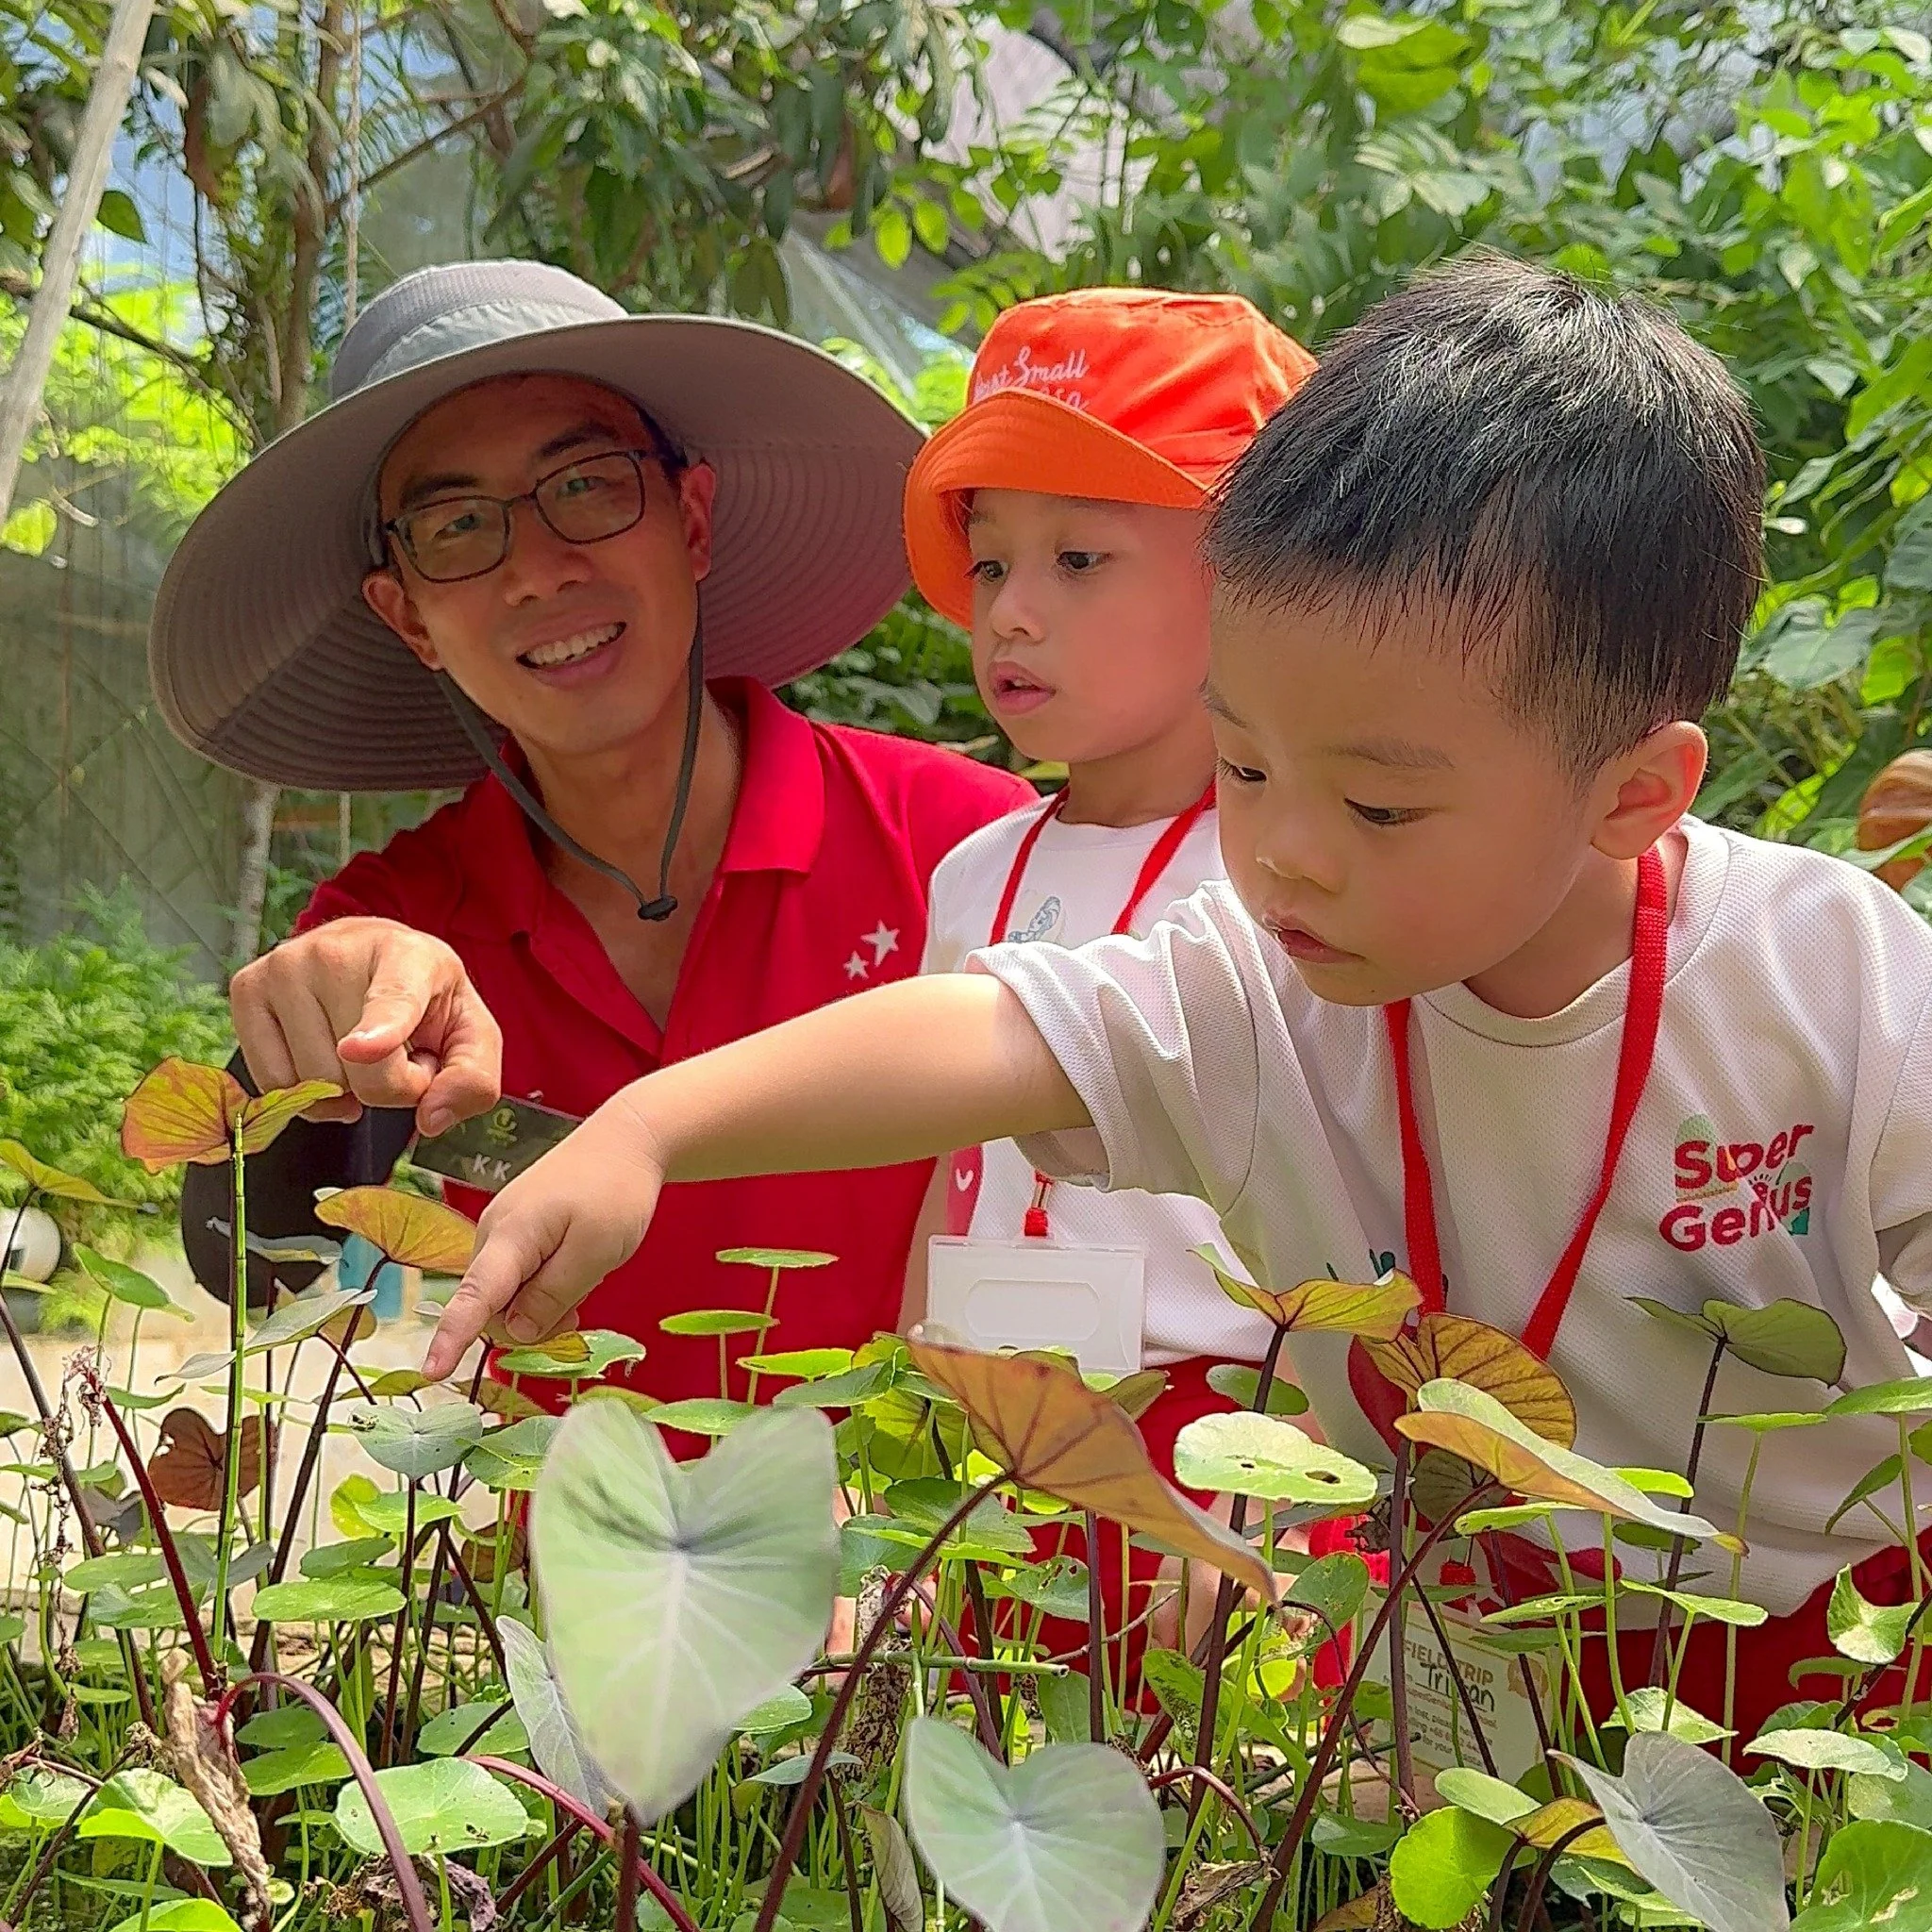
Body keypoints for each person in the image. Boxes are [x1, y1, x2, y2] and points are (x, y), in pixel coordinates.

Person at [425, 254, 1932, 1747]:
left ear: (1635, 794)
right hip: (1470, 1660)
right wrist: (651, 1126)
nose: (1282, 853)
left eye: (1381, 809)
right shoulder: (1259, 980)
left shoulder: (1827, 975)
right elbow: (1002, 1031)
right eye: (1250, 769)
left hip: (1849, 1643)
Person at [158, 259, 1032, 1410]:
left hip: (924, 1564)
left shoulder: (968, 848)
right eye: (457, 523)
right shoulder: (395, 936)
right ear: (407, 614)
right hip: (571, 1576)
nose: (537, 569)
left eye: (585, 483)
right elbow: (260, 1270)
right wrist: (316, 1041)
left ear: (693, 519)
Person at [892, 285, 1316, 1680]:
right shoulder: (974, 873)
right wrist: (900, 1416)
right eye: (992, 559)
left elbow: (1363, 1212)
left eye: (1080, 558)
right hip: (978, 1443)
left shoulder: (1299, 882)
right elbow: (944, 1166)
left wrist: (1294, 1479)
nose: (1011, 612)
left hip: (1216, 1455)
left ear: (1263, 579)